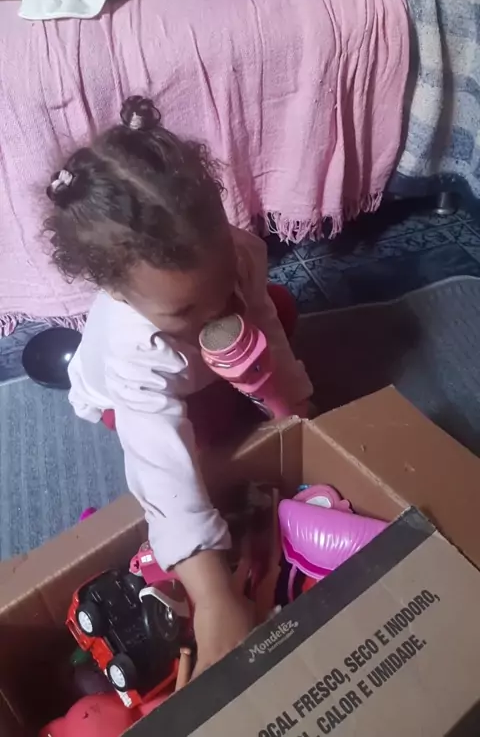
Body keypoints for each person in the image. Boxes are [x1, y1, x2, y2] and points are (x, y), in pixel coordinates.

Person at [44, 95, 313, 674]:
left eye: (222, 283)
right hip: (134, 398)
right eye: (186, 309)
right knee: (197, 453)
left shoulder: (236, 255)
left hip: (199, 368)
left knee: (280, 309)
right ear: (117, 293)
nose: (215, 313)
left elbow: (262, 318)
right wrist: (212, 594)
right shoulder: (133, 348)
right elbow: (162, 473)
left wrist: (296, 403)